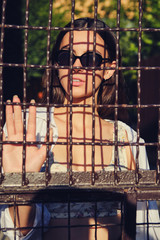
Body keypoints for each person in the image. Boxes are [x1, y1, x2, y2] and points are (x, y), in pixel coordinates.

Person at [1, 17, 160, 239]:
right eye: (66, 57)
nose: (76, 66)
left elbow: (146, 226)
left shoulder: (126, 138)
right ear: (57, 65)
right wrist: (20, 182)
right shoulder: (31, 129)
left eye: (90, 59)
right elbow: (17, 231)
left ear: (108, 70)